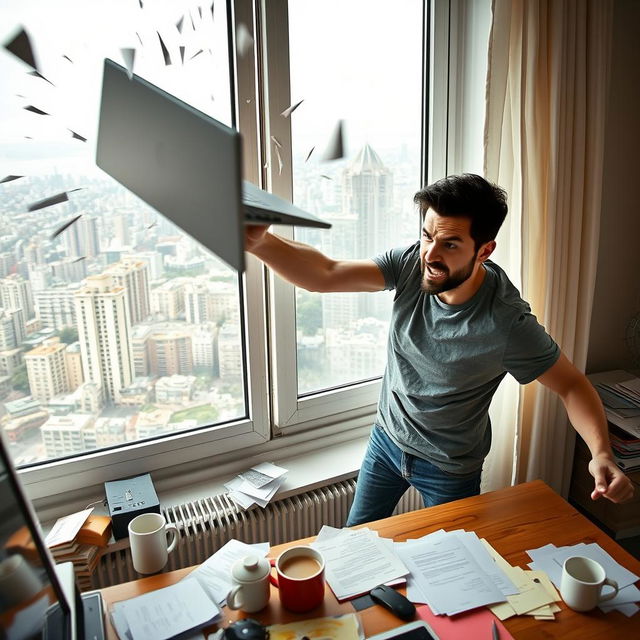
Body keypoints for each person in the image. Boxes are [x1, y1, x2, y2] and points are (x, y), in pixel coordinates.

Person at [245, 173, 635, 525]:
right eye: (428, 236)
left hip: (450, 468)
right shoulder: (410, 265)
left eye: (450, 244)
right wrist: (260, 241)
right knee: (353, 545)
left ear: (484, 251)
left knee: (455, 565)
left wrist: (601, 453)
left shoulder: (506, 322)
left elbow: (571, 385)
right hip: (387, 441)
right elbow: (325, 274)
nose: (431, 255)